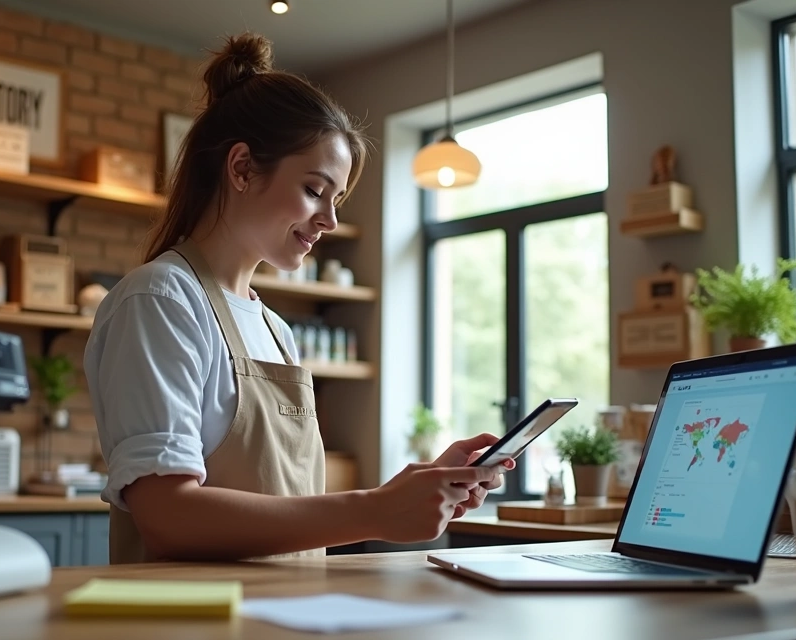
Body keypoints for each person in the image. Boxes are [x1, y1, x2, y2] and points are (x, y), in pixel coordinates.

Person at [84, 32, 511, 565]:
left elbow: (283, 507)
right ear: (241, 168)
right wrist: (375, 509)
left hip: (287, 614)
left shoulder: (274, 331)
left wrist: (409, 489)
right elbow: (169, 517)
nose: (330, 220)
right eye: (314, 189)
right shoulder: (160, 300)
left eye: (336, 199)